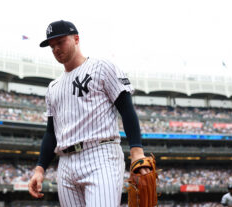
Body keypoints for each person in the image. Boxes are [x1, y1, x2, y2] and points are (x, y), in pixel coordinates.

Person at [28, 20, 149, 207]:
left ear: (76, 39)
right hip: (65, 163)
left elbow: (126, 109)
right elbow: (51, 132)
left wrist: (137, 151)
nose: (56, 49)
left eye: (60, 42)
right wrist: (40, 169)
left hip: (100, 155)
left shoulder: (102, 67)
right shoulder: (53, 87)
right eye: (52, 46)